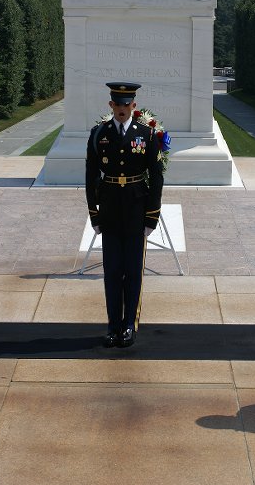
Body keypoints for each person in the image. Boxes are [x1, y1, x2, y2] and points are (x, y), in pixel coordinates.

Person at [86, 82, 164, 348]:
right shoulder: (99, 134)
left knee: (132, 271)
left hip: (135, 209)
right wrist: (94, 214)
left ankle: (129, 324)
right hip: (109, 209)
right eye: (117, 104)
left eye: (126, 103)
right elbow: (90, 176)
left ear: (134, 105)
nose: (121, 108)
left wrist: (151, 216)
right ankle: (112, 325)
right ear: (111, 105)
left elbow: (156, 178)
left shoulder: (147, 134)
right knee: (111, 271)